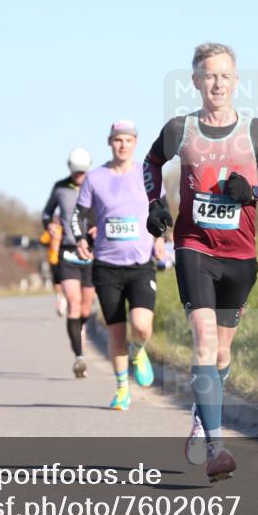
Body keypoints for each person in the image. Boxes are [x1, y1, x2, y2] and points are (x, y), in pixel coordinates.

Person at [143, 43, 258, 481]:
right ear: (195, 81)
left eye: (225, 75)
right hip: (195, 248)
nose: (217, 83)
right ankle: (216, 446)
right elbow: (150, 164)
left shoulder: (255, 131)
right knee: (204, 341)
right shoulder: (180, 129)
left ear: (236, 81)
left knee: (222, 352)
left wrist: (253, 193)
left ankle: (201, 413)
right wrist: (155, 203)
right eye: (209, 75)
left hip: (240, 256)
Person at [72, 120, 166, 410]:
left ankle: (138, 350)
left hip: (140, 264)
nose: (122, 145)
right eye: (117, 140)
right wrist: (80, 239)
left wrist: (161, 238)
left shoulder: (147, 174)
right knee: (116, 333)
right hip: (107, 266)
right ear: (110, 142)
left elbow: (162, 210)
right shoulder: (95, 178)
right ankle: (123, 388)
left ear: (135, 143)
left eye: (128, 140)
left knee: (141, 326)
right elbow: (78, 215)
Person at [42, 148, 96, 378]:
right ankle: (79, 356)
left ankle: (78, 329)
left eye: (83, 172)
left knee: (85, 308)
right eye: (76, 172)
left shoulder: (96, 184)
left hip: (91, 252)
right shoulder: (60, 187)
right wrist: (50, 226)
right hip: (68, 251)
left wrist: (99, 226)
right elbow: (46, 214)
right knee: (73, 303)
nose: (79, 176)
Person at [39, 222, 67, 316]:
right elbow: (42, 241)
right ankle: (60, 298)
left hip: (65, 259)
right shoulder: (51, 229)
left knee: (65, 281)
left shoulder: (65, 229)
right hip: (53, 260)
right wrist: (50, 232)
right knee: (57, 282)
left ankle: (64, 299)